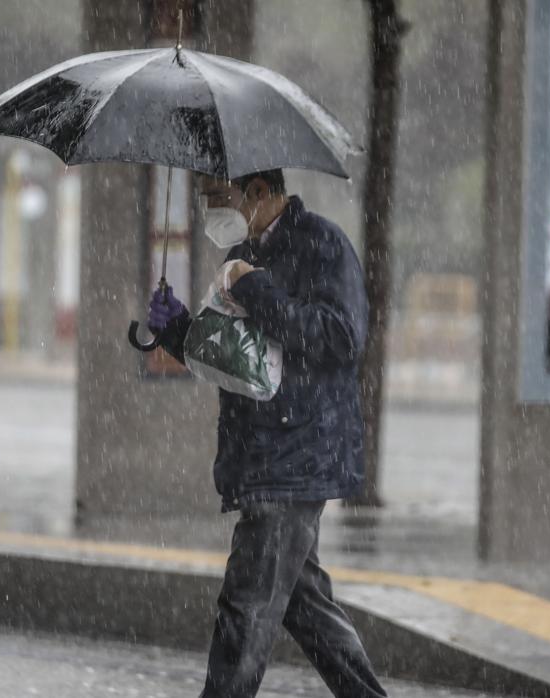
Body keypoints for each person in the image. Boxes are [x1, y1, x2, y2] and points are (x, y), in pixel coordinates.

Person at [147, 169, 387, 698]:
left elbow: (341, 337)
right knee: (305, 607)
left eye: (218, 197)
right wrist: (179, 331)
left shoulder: (321, 244)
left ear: (258, 192)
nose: (211, 210)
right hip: (263, 454)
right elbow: (241, 361)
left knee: (246, 610)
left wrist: (255, 289)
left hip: (296, 456)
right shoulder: (246, 252)